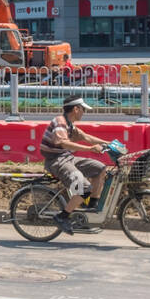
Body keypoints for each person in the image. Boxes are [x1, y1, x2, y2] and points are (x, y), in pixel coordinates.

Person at [40, 95, 111, 235]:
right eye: (83, 109)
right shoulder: (60, 122)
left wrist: (110, 144)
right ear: (76, 109)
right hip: (56, 161)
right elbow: (63, 143)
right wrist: (90, 149)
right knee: (85, 188)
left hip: (67, 157)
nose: (84, 112)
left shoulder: (70, 124)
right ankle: (62, 217)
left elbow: (87, 137)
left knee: (101, 168)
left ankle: (91, 206)